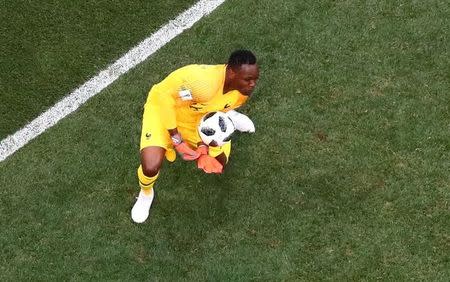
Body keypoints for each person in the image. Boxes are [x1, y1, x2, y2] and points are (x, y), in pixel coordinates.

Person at [131, 49, 260, 223]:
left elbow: (205, 113)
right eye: (248, 79)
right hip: (164, 109)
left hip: (198, 115)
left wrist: (203, 144)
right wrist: (177, 141)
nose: (253, 84)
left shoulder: (242, 92)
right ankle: (146, 193)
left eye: (254, 79)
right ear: (231, 72)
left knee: (218, 163)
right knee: (151, 165)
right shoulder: (203, 84)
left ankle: (228, 115)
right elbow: (164, 98)